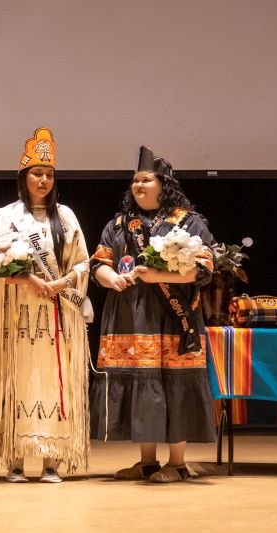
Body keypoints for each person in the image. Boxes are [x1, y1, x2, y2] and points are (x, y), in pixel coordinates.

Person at [89, 145, 215, 483]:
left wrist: (157, 276)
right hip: (130, 315)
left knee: (173, 382)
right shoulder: (118, 225)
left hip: (172, 316)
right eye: (135, 180)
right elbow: (98, 264)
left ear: (163, 184)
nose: (138, 186)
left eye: (145, 180)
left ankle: (176, 463)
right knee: (141, 380)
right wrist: (111, 278)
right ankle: (146, 461)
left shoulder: (187, 223)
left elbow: (202, 270)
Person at [0, 128, 92, 483]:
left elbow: (83, 263)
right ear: (23, 177)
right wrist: (29, 279)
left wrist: (62, 282)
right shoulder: (5, 216)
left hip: (56, 316)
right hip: (16, 314)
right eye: (37, 173)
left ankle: (53, 460)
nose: (43, 179)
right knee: (17, 380)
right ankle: (15, 460)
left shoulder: (66, 217)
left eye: (49, 174)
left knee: (53, 383)